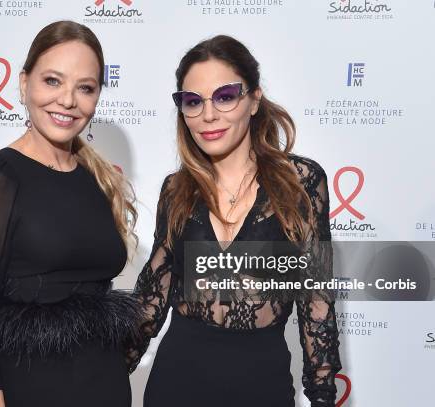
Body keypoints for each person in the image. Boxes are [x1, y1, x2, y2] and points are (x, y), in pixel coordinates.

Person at [128, 35, 342, 407]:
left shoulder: (302, 182)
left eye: (225, 96)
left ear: (254, 99)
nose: (208, 115)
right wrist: (102, 373)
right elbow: (154, 294)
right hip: (176, 383)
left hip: (262, 386)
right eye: (193, 102)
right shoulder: (176, 189)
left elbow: (316, 298)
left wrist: (322, 396)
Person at [0, 20, 141, 407]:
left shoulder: (96, 177)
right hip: (33, 389)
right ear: (23, 84)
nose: (68, 100)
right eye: (53, 81)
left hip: (106, 387)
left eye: (85, 88)